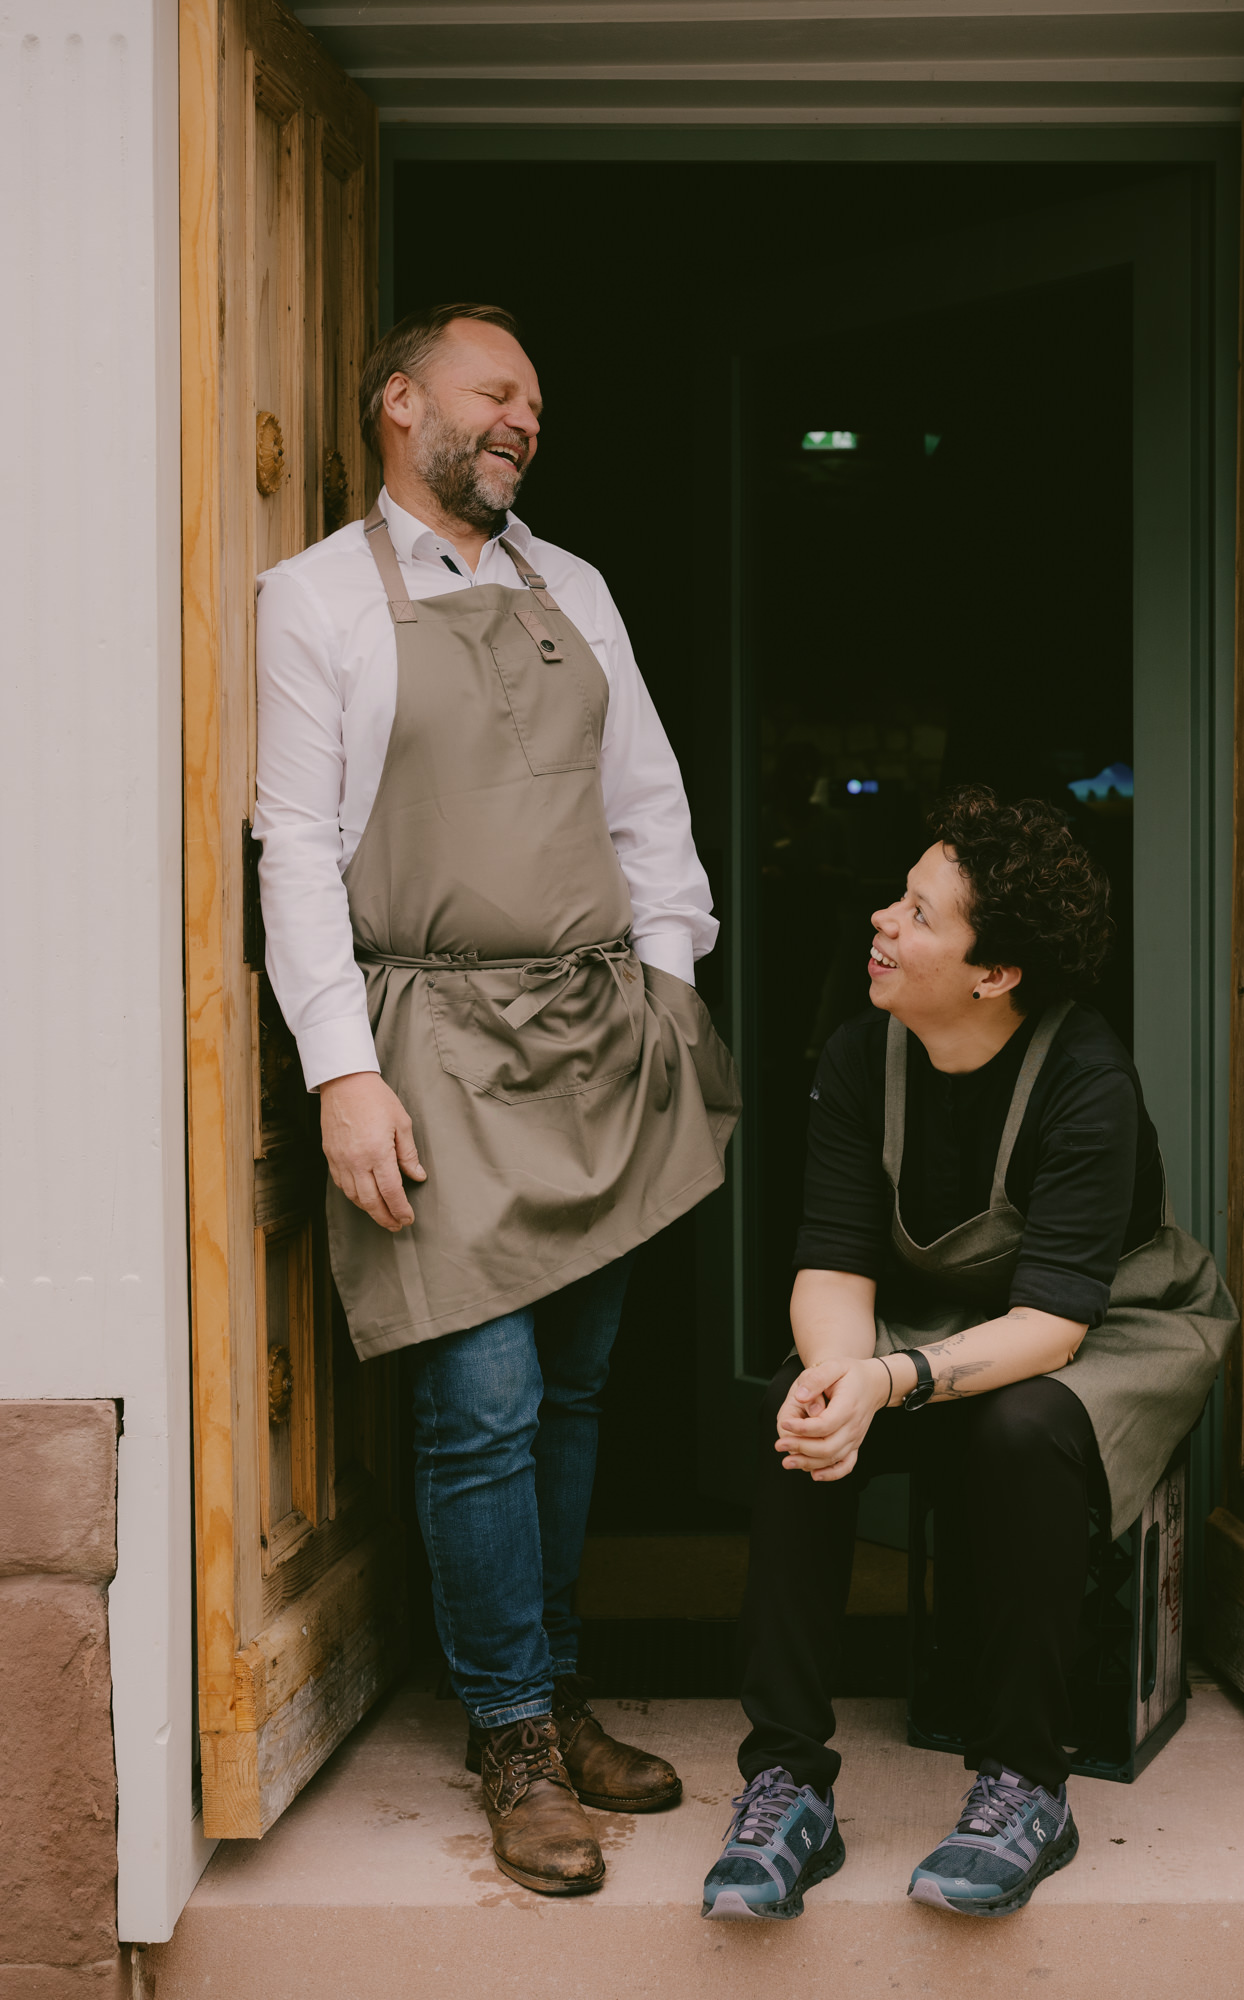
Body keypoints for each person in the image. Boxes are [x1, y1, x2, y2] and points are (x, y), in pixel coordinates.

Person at [254, 302, 739, 1896]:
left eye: (535, 400)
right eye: (495, 390)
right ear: (401, 403)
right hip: (434, 1046)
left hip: (598, 1036)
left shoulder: (573, 588)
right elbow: (295, 851)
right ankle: (512, 1735)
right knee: (482, 1402)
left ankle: (554, 1687)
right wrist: (343, 1069)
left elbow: (648, 807)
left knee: (577, 1392)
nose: (525, 416)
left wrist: (669, 990)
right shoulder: (317, 599)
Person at [701, 788, 1235, 1920]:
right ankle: (787, 1781)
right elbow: (834, 1261)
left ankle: (1025, 1784)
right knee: (797, 1415)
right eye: (898, 897)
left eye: (919, 913)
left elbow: (1053, 1325)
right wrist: (838, 1383)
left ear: (994, 973)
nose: (882, 921)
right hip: (938, 1320)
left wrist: (890, 1380)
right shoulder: (862, 1054)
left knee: (1021, 1424)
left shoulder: (1087, 1079)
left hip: (1110, 1325)